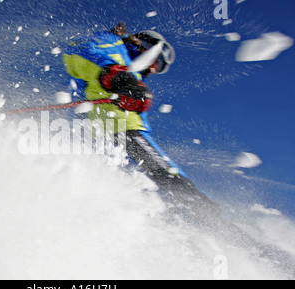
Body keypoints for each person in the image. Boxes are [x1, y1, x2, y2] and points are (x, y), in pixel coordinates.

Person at [63, 22, 219, 217]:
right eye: (158, 60)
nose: (154, 69)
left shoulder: (132, 71)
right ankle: (218, 223)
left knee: (134, 192)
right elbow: (77, 52)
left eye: (160, 67)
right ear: (144, 46)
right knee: (165, 175)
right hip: (114, 126)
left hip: (106, 132)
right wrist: (115, 76)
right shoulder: (113, 44)